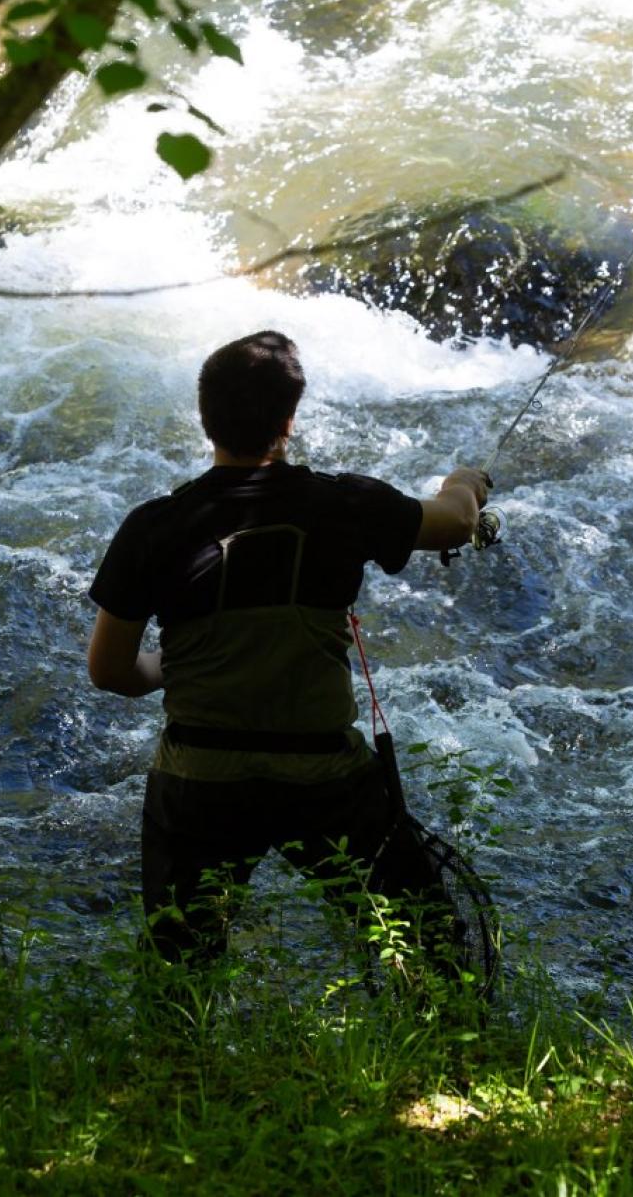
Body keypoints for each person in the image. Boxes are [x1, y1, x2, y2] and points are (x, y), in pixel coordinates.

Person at [85, 329, 492, 967]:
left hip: (199, 777)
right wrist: (465, 480)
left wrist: (173, 664)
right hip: (326, 775)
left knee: (179, 969)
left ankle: (173, 1059)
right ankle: (447, 1049)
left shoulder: (155, 526)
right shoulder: (345, 503)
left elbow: (109, 671)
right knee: (429, 944)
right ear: (287, 423)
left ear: (205, 420)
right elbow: (457, 521)